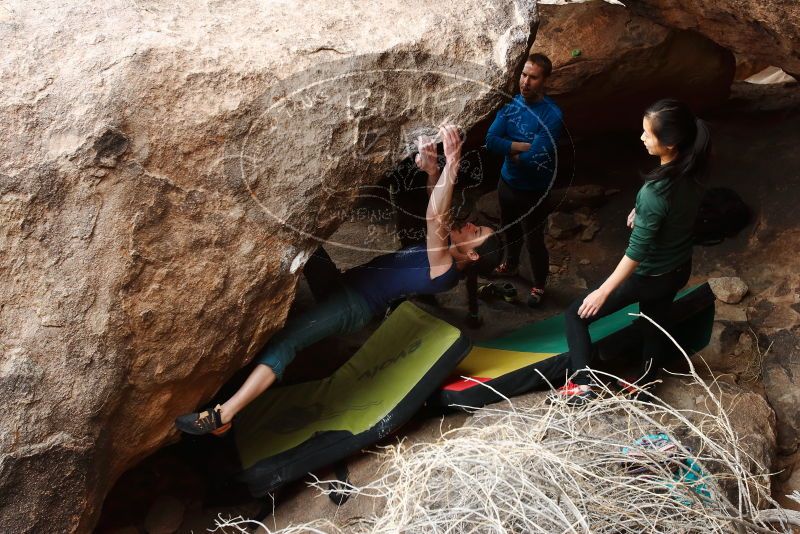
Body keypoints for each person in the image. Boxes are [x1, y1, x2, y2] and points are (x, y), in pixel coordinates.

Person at [176, 125, 502, 435]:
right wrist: (433, 171)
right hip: (345, 284)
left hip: (352, 306)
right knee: (303, 241)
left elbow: (436, 217)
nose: (470, 224)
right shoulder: (444, 249)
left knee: (287, 342)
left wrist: (454, 162)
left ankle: (224, 416)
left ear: (472, 256)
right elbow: (436, 206)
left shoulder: (444, 271)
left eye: (476, 233)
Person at [554, 99, 710, 406]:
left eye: (647, 134)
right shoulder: (692, 170)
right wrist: (642, 212)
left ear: (670, 142)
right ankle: (649, 381)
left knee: (576, 315)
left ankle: (583, 386)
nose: (641, 138)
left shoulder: (654, 192)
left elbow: (636, 252)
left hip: (650, 274)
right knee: (654, 320)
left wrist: (602, 292)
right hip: (678, 268)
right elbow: (674, 211)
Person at [485, 52, 563, 307]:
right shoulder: (510, 105)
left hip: (535, 190)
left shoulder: (552, 115)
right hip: (507, 183)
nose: (525, 82)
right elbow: (490, 141)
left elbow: (534, 158)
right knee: (509, 229)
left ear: (545, 81)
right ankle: (510, 264)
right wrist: (521, 146)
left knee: (534, 240)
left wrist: (510, 148)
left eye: (533, 77)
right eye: (523, 75)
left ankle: (539, 283)